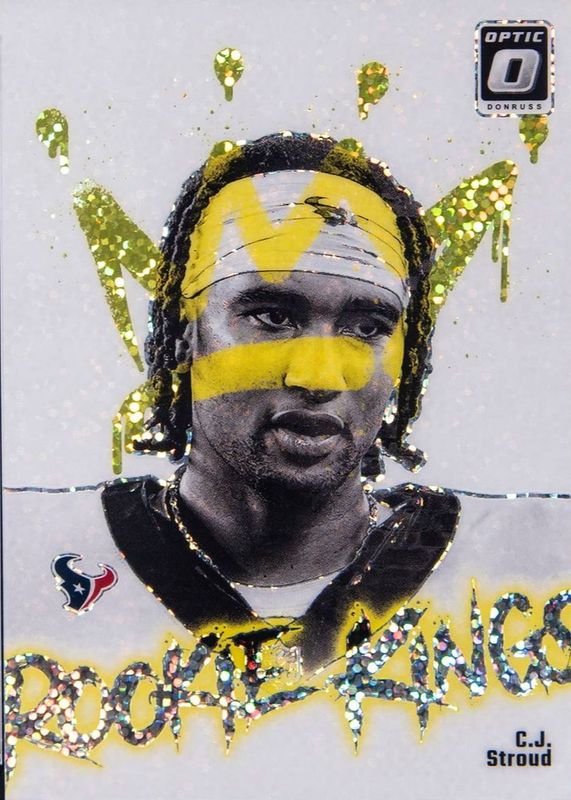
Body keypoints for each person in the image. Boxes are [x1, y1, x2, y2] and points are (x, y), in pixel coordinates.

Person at [101, 132, 460, 667]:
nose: (319, 376)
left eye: (366, 327)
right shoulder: (31, 557)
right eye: (273, 317)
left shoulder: (533, 564)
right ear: (183, 334)